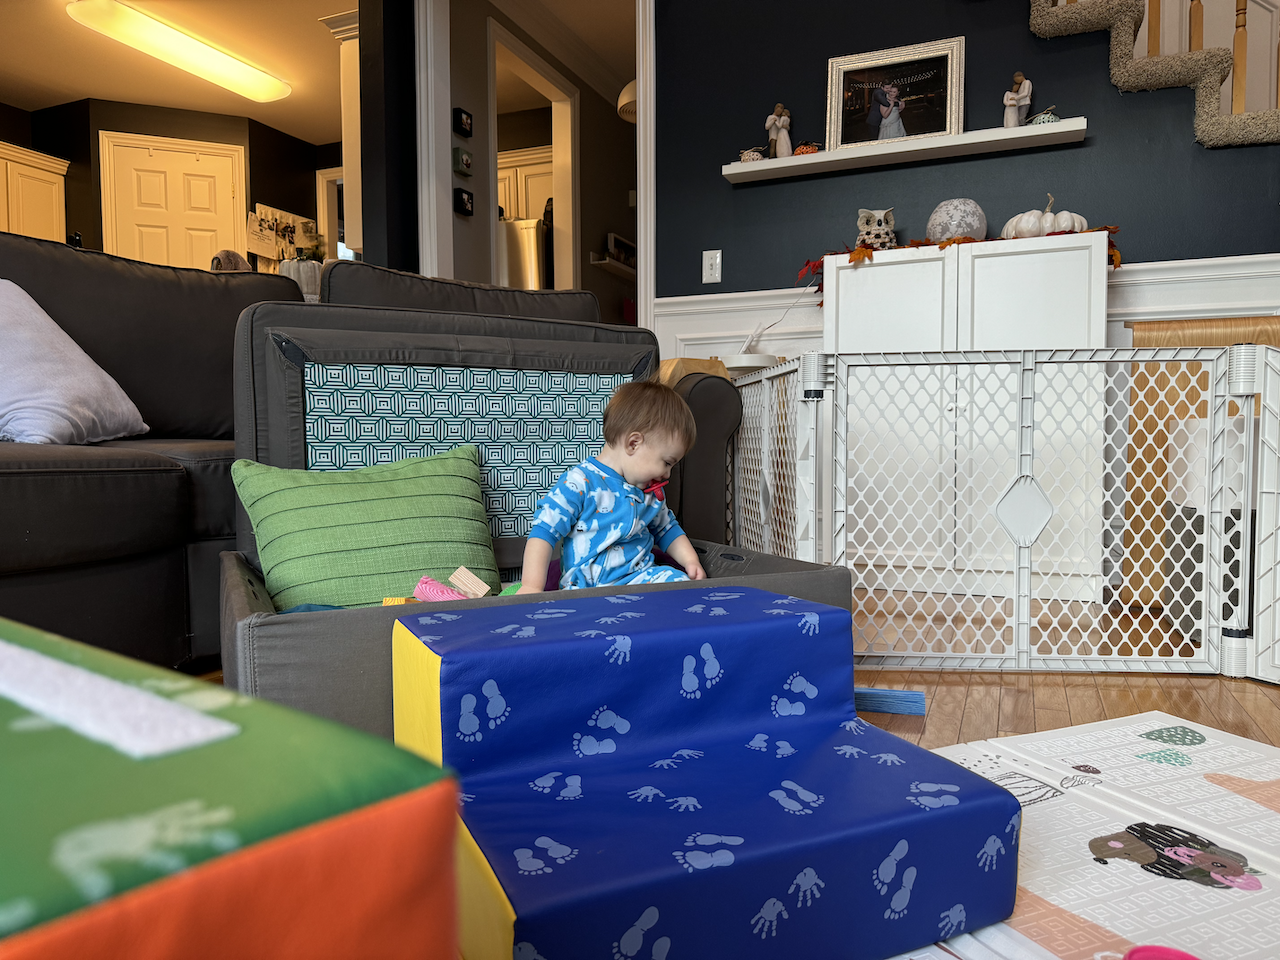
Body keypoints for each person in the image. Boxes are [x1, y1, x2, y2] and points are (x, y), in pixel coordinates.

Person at [517, 381, 707, 593]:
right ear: (633, 443)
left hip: (640, 579)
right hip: (584, 589)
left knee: (682, 585)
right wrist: (531, 586)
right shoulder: (579, 482)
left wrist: (691, 562)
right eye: (667, 462)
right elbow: (544, 532)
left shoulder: (649, 493)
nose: (667, 475)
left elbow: (667, 529)